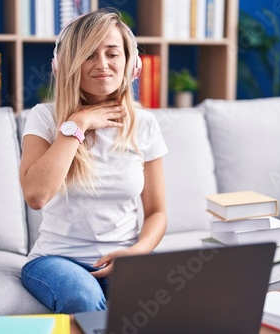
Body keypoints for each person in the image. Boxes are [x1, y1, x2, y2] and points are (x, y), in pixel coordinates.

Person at [19, 9, 168, 314]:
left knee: (172, 301)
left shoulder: (145, 124)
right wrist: (78, 123)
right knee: (81, 299)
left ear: (132, 64)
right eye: (89, 54)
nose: (102, 64)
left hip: (123, 257)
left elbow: (157, 212)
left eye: (112, 53)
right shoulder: (45, 118)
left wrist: (137, 253)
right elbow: (36, 196)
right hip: (57, 259)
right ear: (65, 66)